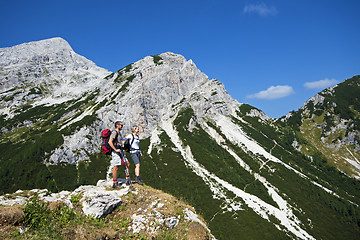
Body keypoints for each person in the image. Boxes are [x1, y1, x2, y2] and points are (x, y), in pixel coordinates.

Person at [108, 121, 131, 188]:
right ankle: (115, 183)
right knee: (116, 167)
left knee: (127, 164)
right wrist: (115, 149)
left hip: (121, 151)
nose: (122, 126)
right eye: (121, 125)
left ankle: (127, 180)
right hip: (116, 152)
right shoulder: (114, 132)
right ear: (117, 125)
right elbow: (110, 142)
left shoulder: (119, 133)